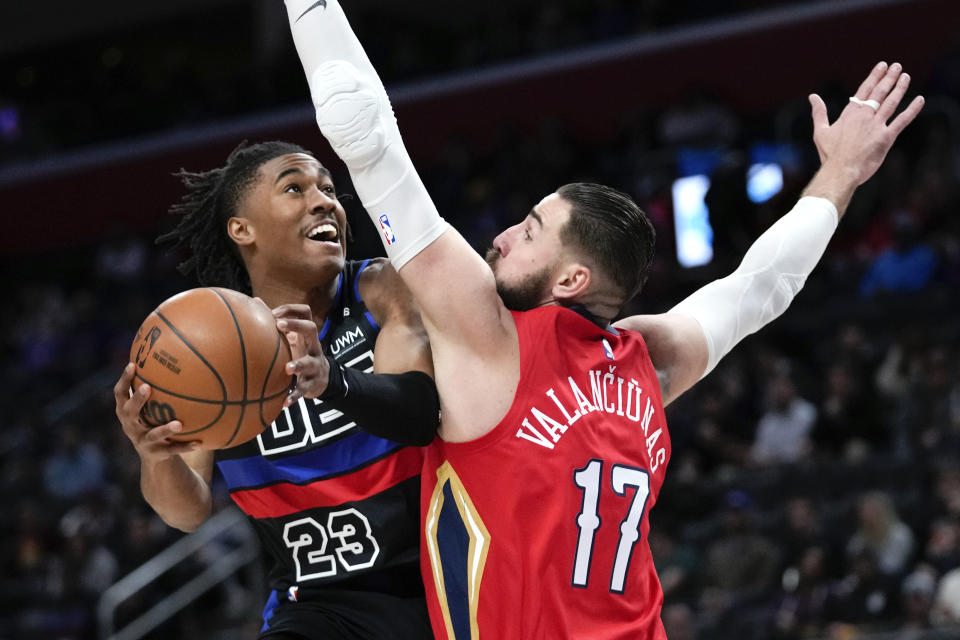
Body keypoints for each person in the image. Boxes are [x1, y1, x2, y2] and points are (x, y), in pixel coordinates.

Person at [283, 1, 924, 636]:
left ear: (570, 280)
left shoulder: (493, 339)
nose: (503, 237)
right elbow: (763, 287)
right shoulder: (649, 360)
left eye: (530, 232)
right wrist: (840, 173)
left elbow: (363, 135)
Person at [113, 140, 439, 639]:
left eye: (328, 189)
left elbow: (416, 418)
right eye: (295, 188)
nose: (324, 200)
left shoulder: (379, 290)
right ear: (242, 230)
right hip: (318, 604)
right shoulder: (216, 348)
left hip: (435, 579)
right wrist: (155, 455)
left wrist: (333, 381)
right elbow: (186, 512)